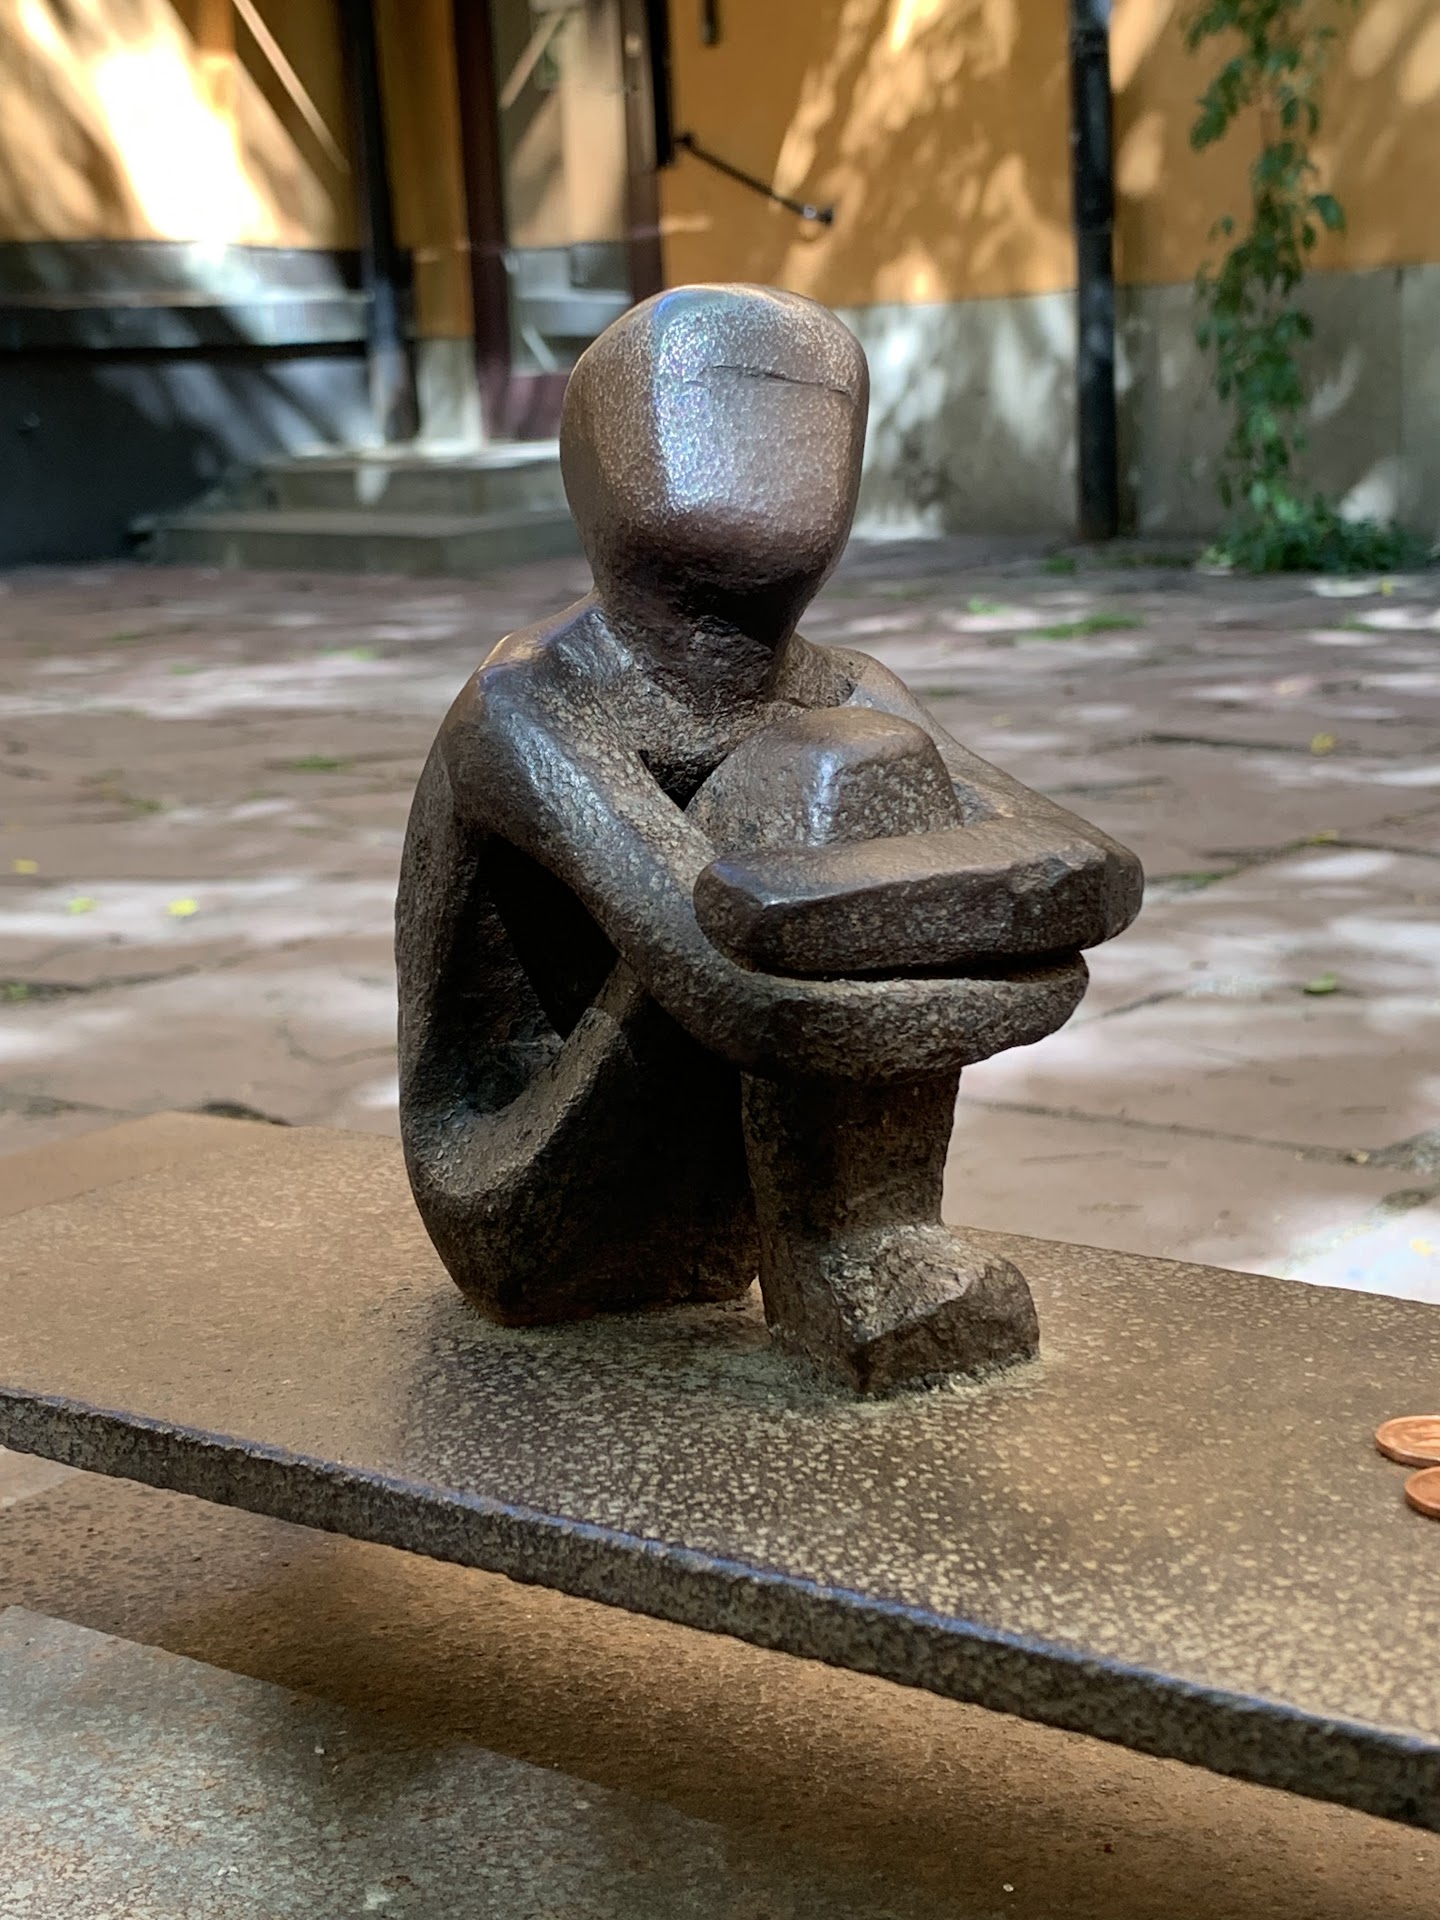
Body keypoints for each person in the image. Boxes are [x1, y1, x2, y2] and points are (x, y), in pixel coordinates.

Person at [397, 285, 1141, 1392]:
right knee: (817, 773)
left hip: (706, 1156)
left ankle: (866, 1241)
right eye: (719, 402)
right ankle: (845, 1256)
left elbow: (1083, 871)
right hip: (520, 1188)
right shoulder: (531, 703)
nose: (771, 446)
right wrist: (989, 964)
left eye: (809, 411)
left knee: (848, 759)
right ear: (601, 464)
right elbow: (723, 980)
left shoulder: (848, 684)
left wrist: (818, 929)